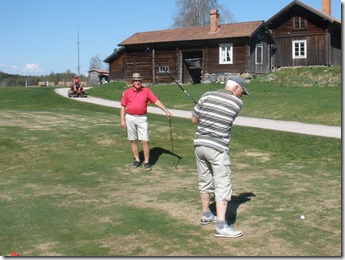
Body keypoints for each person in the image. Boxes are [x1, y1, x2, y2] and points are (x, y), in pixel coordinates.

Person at [191, 76, 249, 238]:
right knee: (222, 184)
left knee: (205, 180)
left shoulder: (206, 95)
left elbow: (194, 120)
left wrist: (203, 111)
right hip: (217, 148)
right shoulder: (237, 103)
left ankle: (206, 214)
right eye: (242, 92)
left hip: (200, 145)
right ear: (236, 88)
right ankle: (221, 226)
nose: (241, 97)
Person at [120, 72, 172, 171]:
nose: (137, 82)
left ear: (141, 81)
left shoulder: (146, 91)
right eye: (135, 80)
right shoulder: (127, 92)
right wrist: (122, 120)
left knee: (145, 140)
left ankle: (147, 162)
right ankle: (137, 160)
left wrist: (166, 111)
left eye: (139, 80)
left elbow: (156, 101)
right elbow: (123, 106)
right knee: (133, 140)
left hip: (142, 118)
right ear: (132, 82)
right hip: (130, 117)